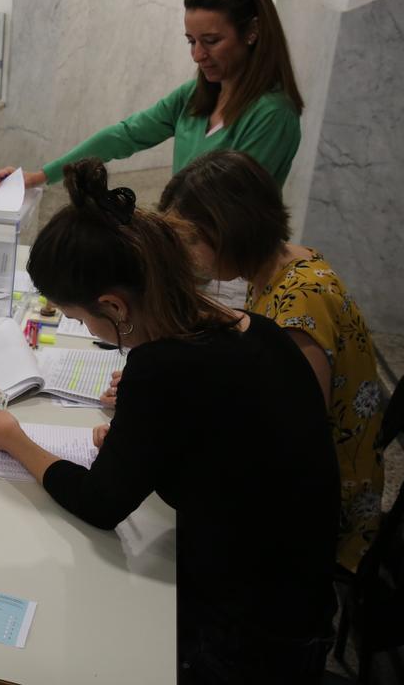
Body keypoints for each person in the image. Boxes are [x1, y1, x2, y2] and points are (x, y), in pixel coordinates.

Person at [0, 159, 339, 683]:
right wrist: (139, 442)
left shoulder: (162, 366)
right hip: (302, 601)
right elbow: (220, 445)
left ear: (114, 306)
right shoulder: (250, 328)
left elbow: (101, 504)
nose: (88, 328)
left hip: (251, 637)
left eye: (80, 318)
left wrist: (15, 441)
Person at [158, 150, 384, 573]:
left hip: (320, 513)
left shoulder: (301, 305)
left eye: (192, 241)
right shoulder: (285, 264)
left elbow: (292, 439)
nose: (189, 255)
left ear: (228, 230)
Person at [0, 0, 304, 191]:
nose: (197, 55)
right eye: (190, 41)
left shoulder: (272, 115)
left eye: (211, 40)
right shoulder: (196, 96)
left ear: (253, 32)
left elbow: (229, 208)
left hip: (230, 274)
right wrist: (40, 176)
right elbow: (125, 135)